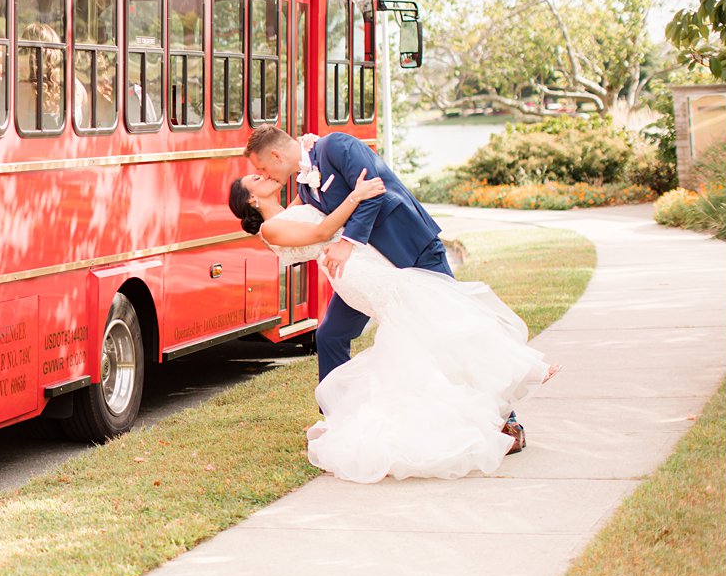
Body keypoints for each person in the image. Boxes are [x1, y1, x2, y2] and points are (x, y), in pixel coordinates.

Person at [231, 129, 553, 482]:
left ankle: (507, 419)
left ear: (276, 157)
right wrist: (349, 217)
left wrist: (349, 234)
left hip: (407, 248)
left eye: (262, 168)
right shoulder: (304, 185)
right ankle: (339, 418)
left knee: (449, 326)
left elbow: (375, 191)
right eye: (257, 176)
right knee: (331, 335)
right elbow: (322, 225)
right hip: (359, 272)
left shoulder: (335, 146)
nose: (265, 176)